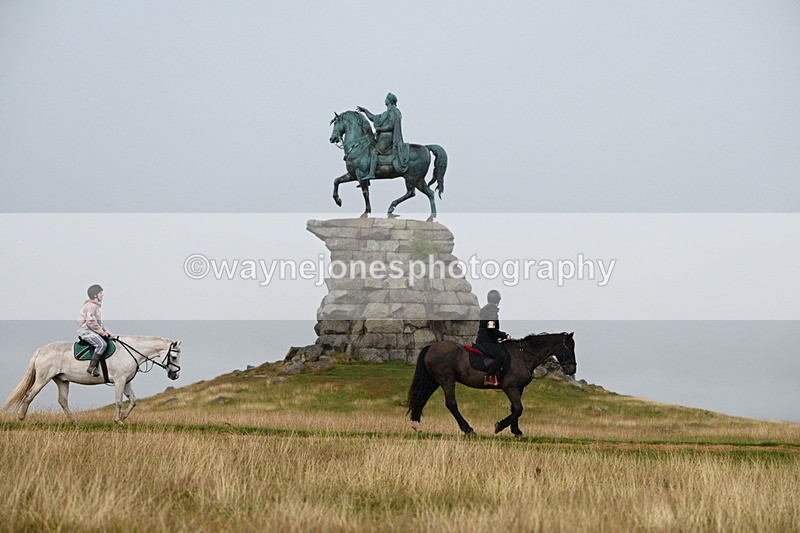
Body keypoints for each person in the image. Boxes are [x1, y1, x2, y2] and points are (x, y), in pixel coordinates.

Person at [356, 92, 410, 180]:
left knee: (374, 151)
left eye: (386, 99)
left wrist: (380, 129)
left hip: (387, 138)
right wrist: (365, 111)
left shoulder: (393, 112)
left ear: (390, 101)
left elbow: (391, 126)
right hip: (383, 137)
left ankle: (372, 173)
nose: (385, 100)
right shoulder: (386, 113)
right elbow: (373, 118)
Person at [475, 289, 511, 386]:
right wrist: (505, 335)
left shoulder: (487, 311)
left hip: (485, 340)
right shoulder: (491, 313)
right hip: (485, 342)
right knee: (501, 356)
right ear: (497, 300)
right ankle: (488, 377)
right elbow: (492, 330)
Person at [77, 284, 112, 377]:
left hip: (92, 330)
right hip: (86, 331)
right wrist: (101, 332)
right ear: (95, 295)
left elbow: (99, 323)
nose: (102, 295)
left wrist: (106, 331)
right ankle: (92, 367)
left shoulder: (96, 306)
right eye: (100, 293)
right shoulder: (91, 306)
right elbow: (91, 322)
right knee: (102, 344)